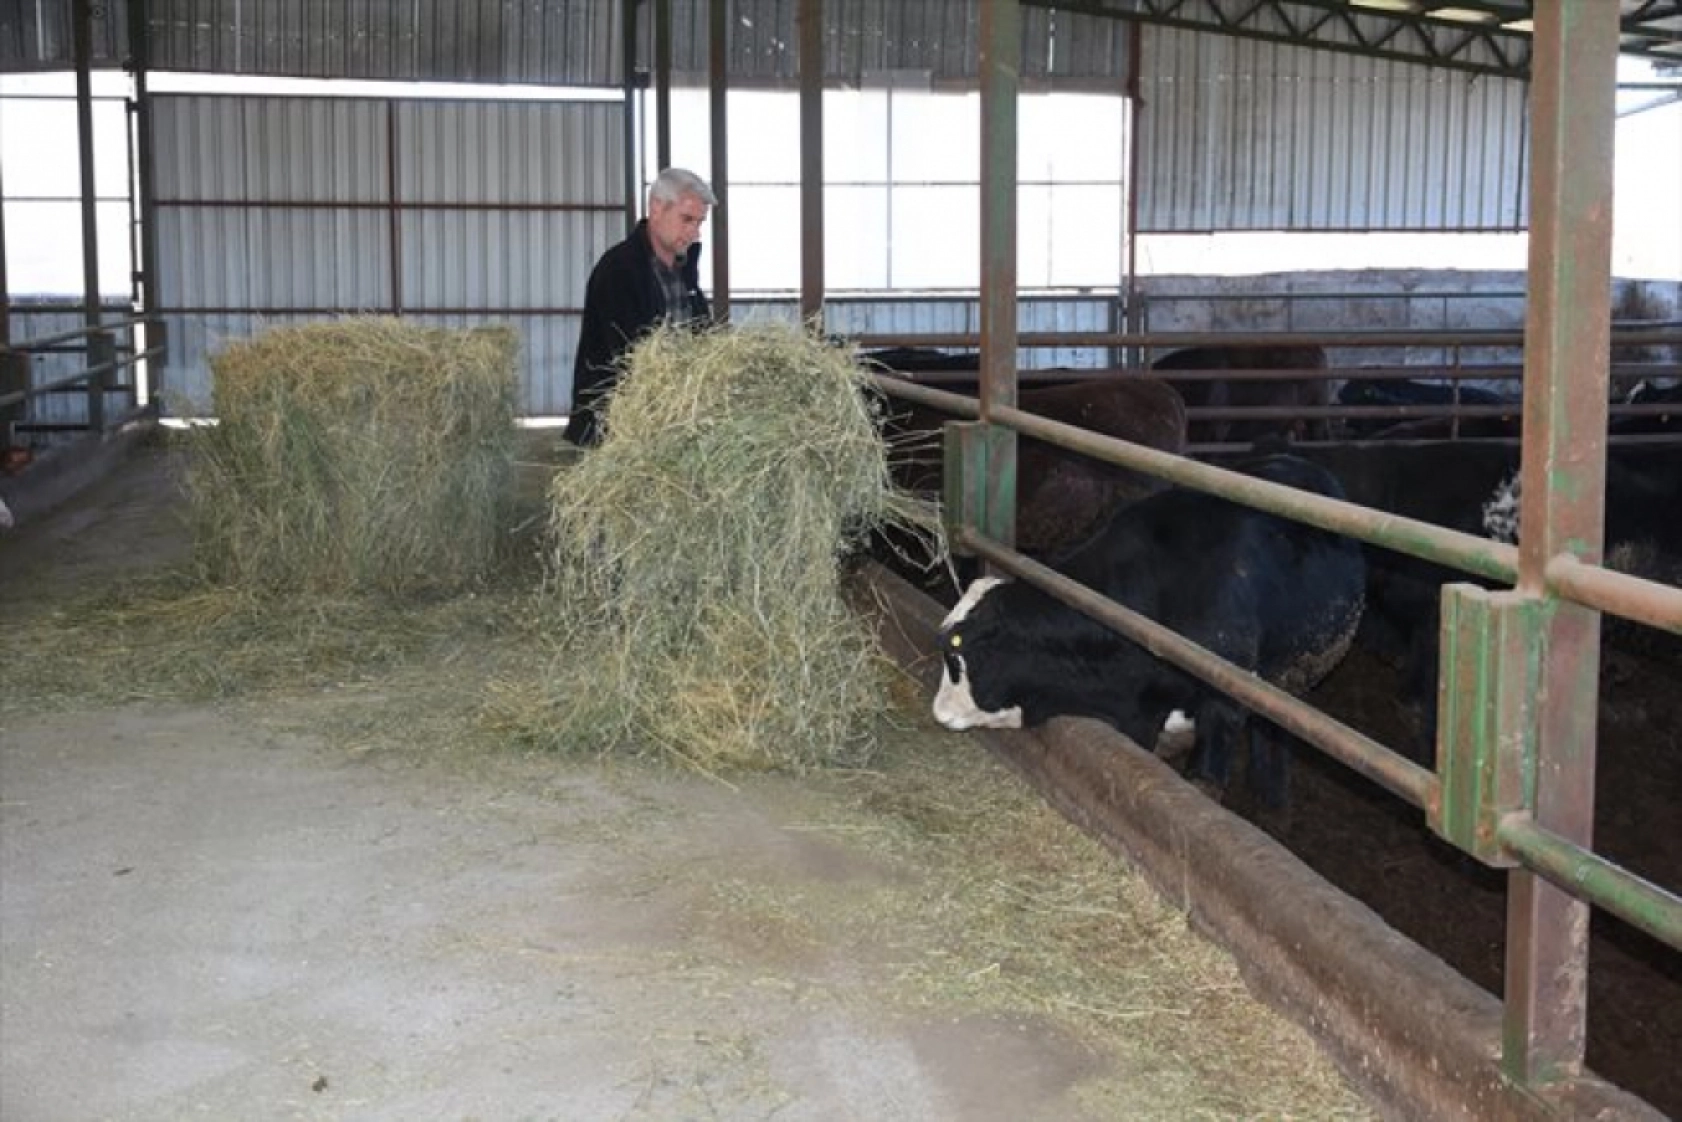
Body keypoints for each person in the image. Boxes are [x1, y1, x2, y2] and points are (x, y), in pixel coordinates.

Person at [563, 167, 717, 446]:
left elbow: (701, 338)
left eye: (699, 223)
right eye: (687, 220)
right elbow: (628, 355)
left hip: (671, 422)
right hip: (619, 429)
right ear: (657, 208)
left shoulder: (684, 271)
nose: (694, 232)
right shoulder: (619, 270)